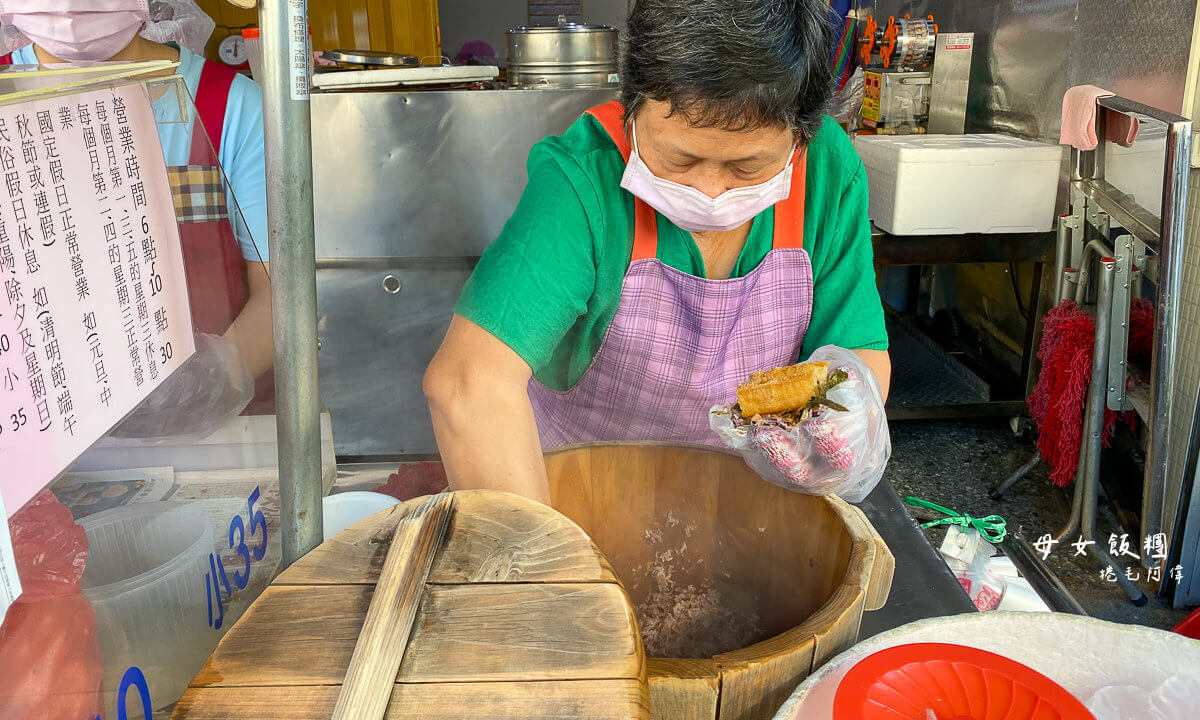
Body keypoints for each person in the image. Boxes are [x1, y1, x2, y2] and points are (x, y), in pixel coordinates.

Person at [425, 0, 891, 504]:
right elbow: (468, 383)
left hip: (744, 504)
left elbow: (856, 354)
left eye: (747, 167)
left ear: (802, 135)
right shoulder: (584, 180)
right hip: (568, 497)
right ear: (632, 105)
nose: (710, 190)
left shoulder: (828, 171)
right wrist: (545, 569)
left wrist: (847, 428)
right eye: (680, 158)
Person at [0, 0, 275, 432]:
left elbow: (279, 294)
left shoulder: (232, 107)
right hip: (29, 446)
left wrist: (210, 384)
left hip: (209, 437)